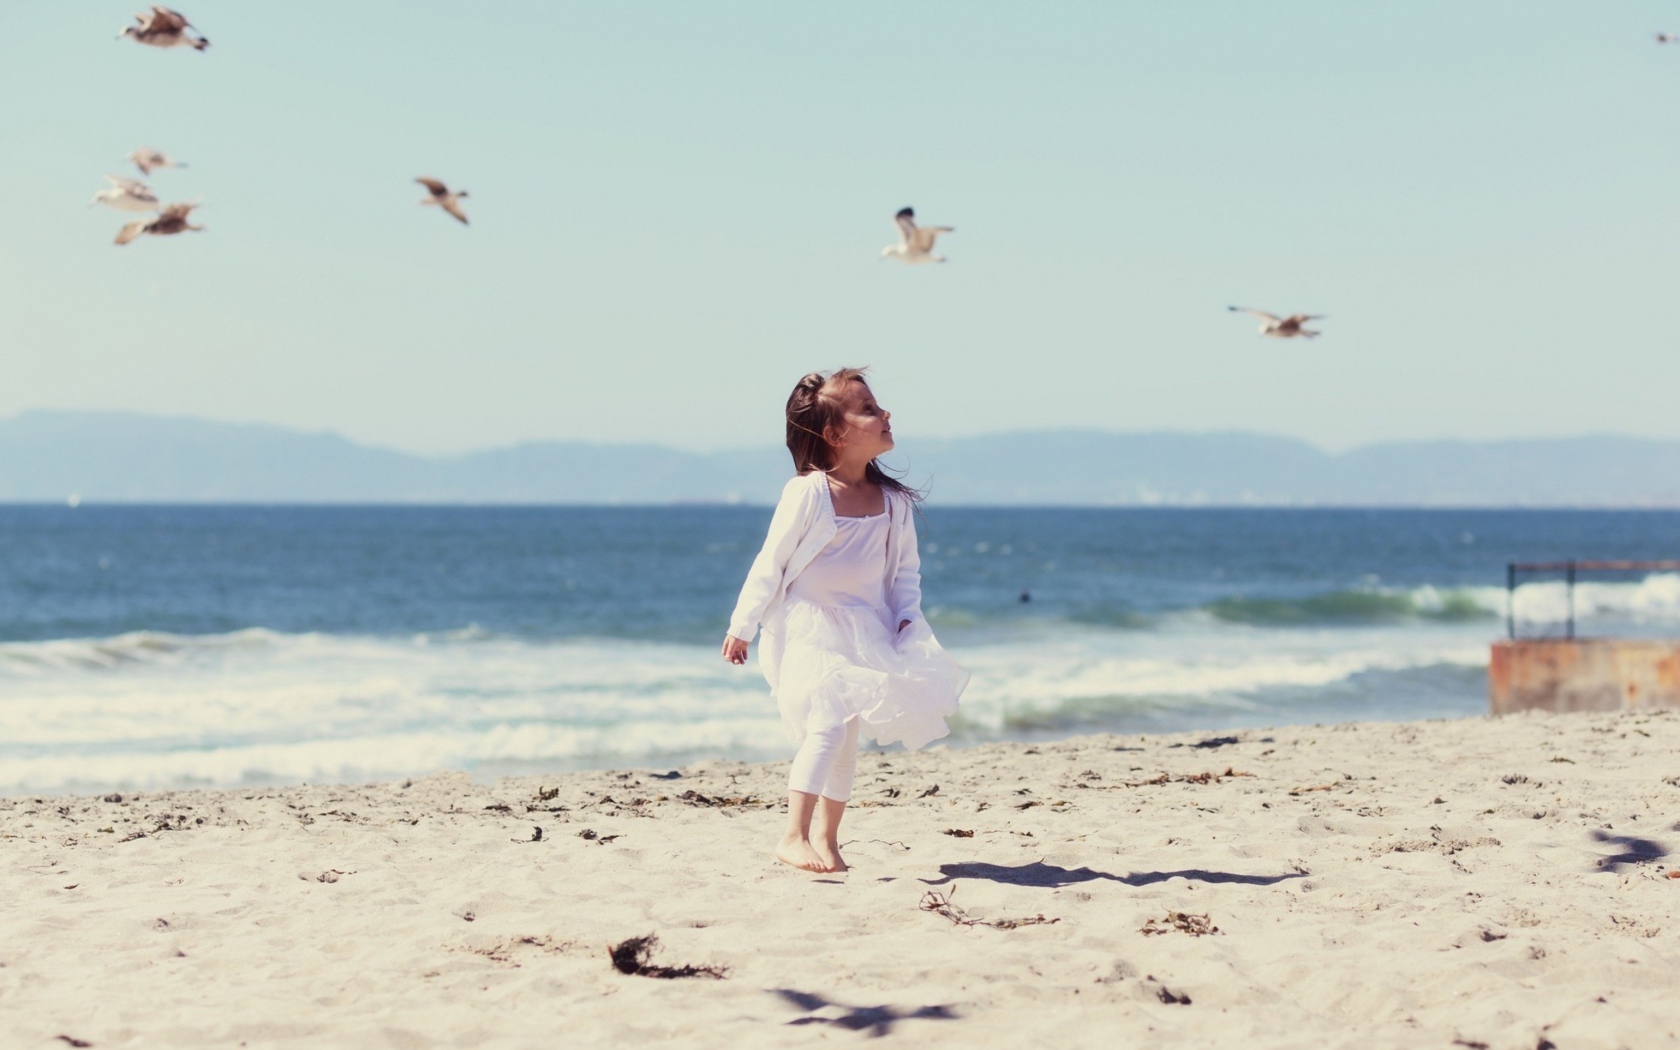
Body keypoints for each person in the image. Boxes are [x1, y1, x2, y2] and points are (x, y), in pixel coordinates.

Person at [722, 368, 969, 873]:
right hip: (810, 627)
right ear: (835, 435)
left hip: (868, 629)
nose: (885, 414)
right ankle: (792, 835)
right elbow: (770, 561)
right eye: (869, 409)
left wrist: (906, 620)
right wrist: (742, 625)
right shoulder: (809, 493)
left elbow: (904, 573)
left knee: (848, 738)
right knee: (828, 725)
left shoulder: (894, 503)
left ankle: (828, 839)